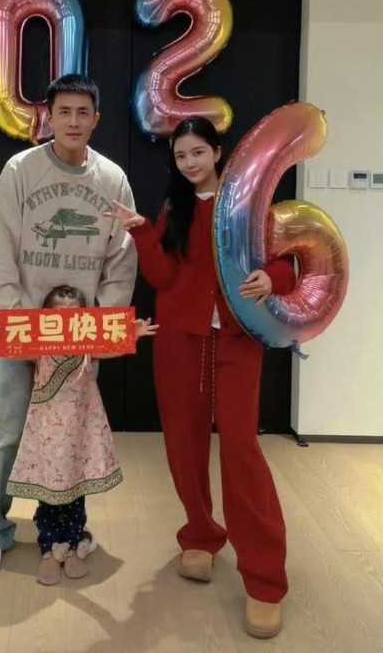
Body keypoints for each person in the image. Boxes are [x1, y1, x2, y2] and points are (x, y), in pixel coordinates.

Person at [105, 116, 296, 640]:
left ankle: (265, 579)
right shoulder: (176, 208)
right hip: (180, 340)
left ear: (217, 151)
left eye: (197, 152)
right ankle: (200, 535)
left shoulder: (250, 208)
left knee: (240, 449)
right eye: (181, 155)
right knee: (183, 444)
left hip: (237, 342)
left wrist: (272, 277)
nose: (190, 162)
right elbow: (163, 277)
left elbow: (289, 263)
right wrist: (142, 232)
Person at [0, 75, 137, 581]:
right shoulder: (21, 170)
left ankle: (64, 528)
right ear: (49, 117)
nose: (73, 121)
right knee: (7, 425)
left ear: (96, 119)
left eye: (83, 112)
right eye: (64, 111)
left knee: (70, 433)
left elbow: (121, 260)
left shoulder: (113, 179)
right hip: (25, 330)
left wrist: (97, 330)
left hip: (80, 338)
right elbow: (1, 250)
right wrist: (16, 322)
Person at [0, 283, 158, 585]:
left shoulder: (87, 347)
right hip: (47, 437)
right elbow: (16, 345)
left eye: (72, 315)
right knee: (49, 494)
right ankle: (50, 548)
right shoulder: (39, 349)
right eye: (57, 315)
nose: (65, 321)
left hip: (78, 435)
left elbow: (111, 346)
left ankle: (75, 540)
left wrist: (133, 333)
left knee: (76, 491)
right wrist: (2, 336)